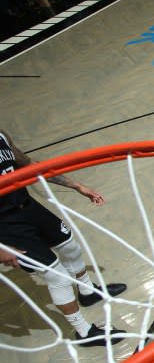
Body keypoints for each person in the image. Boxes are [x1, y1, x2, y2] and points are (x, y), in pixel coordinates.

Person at [0, 130, 127, 346]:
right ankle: (84, 332)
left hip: (26, 206)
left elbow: (29, 164)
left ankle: (87, 291)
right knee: (56, 277)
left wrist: (76, 185)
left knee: (70, 247)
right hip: (5, 225)